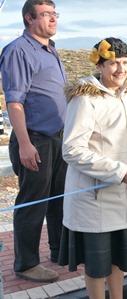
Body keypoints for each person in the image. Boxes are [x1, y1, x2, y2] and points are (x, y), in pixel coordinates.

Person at [59, 37, 127, 299]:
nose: (121, 69)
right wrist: (118, 171)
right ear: (100, 66)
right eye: (114, 63)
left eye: (125, 62)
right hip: (94, 200)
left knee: (118, 261)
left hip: (122, 198)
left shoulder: (124, 98)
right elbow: (72, 149)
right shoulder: (85, 99)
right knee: (97, 267)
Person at [0, 0, 66, 283]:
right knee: (33, 203)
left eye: (55, 14)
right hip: (35, 139)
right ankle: (26, 264)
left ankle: (59, 251)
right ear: (29, 18)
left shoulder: (51, 50)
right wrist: (25, 144)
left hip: (58, 138)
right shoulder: (18, 51)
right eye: (46, 14)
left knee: (58, 200)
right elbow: (15, 101)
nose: (53, 19)